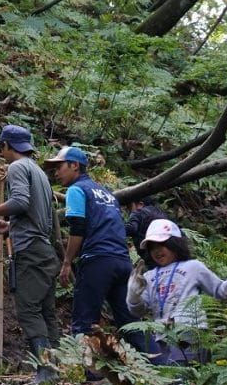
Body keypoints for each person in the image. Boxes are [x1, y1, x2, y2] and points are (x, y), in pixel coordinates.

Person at [44, 146, 151, 354]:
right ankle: (159, 369)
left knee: (83, 321)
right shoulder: (105, 192)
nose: (56, 173)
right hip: (122, 262)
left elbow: (78, 227)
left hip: (97, 260)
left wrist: (67, 262)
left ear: (74, 166)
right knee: (130, 323)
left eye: (59, 167)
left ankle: (86, 375)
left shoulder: (77, 190)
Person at [127, 219, 227, 364]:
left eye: (162, 244)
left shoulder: (193, 267)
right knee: (173, 382)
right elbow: (138, 311)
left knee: (183, 378)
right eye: (152, 247)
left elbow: (221, 291)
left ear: (175, 244)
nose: (157, 251)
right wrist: (133, 294)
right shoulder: (149, 277)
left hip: (190, 332)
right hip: (162, 338)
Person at [0, 125, 61, 383]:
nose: (1, 154)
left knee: (28, 310)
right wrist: (12, 226)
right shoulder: (39, 172)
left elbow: (21, 202)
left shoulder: (17, 168)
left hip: (31, 252)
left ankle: (46, 371)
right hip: (45, 250)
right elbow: (41, 215)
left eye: (0, 148)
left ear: (6, 145)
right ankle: (56, 368)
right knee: (46, 310)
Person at [125, 197, 168, 268]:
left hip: (151, 253)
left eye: (129, 207)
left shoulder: (138, 212)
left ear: (140, 204)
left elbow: (131, 228)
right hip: (168, 250)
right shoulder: (160, 212)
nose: (128, 211)